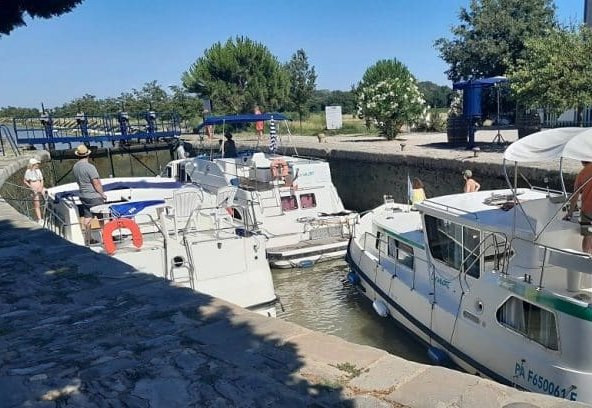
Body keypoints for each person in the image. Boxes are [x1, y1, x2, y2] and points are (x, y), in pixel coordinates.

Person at [72, 144, 107, 244]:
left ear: (78, 155)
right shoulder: (90, 167)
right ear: (87, 155)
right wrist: (102, 194)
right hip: (94, 196)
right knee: (102, 217)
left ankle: (88, 239)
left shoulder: (75, 167)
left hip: (83, 195)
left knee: (87, 218)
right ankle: (106, 238)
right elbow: (96, 183)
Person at [566, 161, 592, 253]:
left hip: (588, 210)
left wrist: (569, 213)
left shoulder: (582, 173)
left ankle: (586, 256)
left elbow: (575, 195)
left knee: (588, 235)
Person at [23, 158, 45, 223]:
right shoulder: (28, 171)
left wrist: (41, 186)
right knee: (37, 203)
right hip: (33, 187)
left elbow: (42, 179)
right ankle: (40, 219)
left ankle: (47, 213)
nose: (38, 165)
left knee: (47, 195)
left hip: (40, 186)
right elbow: (25, 181)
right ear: (33, 164)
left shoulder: (38, 170)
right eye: (36, 164)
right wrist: (31, 187)